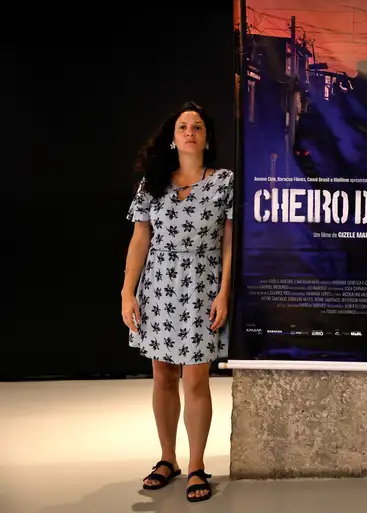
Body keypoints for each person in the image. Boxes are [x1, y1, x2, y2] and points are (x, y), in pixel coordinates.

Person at [120, 101, 234, 503]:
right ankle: (167, 459)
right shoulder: (153, 182)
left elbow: (230, 242)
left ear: (207, 138)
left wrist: (224, 291)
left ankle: (197, 464)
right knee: (163, 375)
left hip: (202, 286)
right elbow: (140, 239)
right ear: (172, 137)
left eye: (197, 127)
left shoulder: (223, 182)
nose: (189, 132)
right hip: (159, 286)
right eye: (183, 126)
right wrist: (127, 291)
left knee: (196, 379)